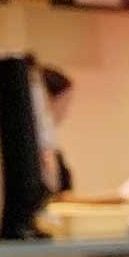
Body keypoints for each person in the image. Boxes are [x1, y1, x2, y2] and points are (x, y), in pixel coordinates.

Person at [41, 65, 75, 196]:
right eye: (65, 103)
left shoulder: (50, 141)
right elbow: (52, 196)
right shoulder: (31, 145)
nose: (66, 112)